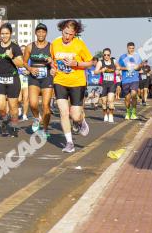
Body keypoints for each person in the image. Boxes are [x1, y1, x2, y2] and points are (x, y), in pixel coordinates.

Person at [51, 19, 94, 153]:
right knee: (63, 113)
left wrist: (76, 64)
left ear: (75, 34)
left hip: (77, 82)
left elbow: (90, 62)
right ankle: (69, 143)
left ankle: (81, 121)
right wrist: (52, 68)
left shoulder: (80, 45)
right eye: (65, 33)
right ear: (61, 30)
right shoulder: (55, 44)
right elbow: (53, 61)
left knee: (75, 116)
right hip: (60, 81)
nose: (67, 36)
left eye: (71, 34)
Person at [0, 23, 25, 137]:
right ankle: (4, 119)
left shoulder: (15, 47)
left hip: (13, 78)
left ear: (10, 34)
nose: (4, 36)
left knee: (13, 106)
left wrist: (11, 57)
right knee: (0, 105)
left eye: (6, 33)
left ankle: (14, 127)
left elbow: (21, 63)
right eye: (2, 34)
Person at [24, 23, 54, 137]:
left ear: (46, 33)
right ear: (35, 33)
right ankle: (37, 118)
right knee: (33, 104)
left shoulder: (51, 47)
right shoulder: (30, 46)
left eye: (43, 31)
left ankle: (45, 130)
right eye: (39, 31)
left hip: (47, 77)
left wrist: (52, 62)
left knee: (46, 105)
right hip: (34, 78)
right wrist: (30, 68)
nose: (41, 34)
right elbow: (24, 62)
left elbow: (56, 61)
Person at [117, 42, 143, 120]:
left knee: (134, 94)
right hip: (125, 80)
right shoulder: (123, 57)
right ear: (127, 48)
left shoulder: (137, 57)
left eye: (133, 48)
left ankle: (134, 113)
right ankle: (128, 112)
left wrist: (137, 67)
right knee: (127, 98)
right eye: (130, 48)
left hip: (134, 79)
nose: (131, 50)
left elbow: (140, 66)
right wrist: (126, 68)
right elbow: (118, 67)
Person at [94, 48, 119, 123]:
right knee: (104, 102)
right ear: (103, 55)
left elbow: (118, 67)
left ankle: (111, 115)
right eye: (105, 55)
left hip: (112, 83)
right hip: (103, 84)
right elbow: (95, 72)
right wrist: (101, 70)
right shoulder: (100, 62)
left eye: (108, 55)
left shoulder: (113, 61)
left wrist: (117, 70)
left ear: (110, 55)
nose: (106, 56)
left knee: (111, 100)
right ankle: (105, 115)